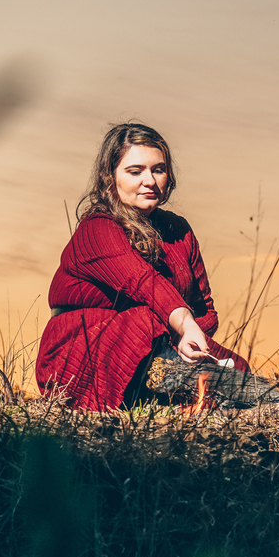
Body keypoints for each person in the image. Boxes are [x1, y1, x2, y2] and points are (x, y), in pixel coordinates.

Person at [36, 123, 249, 410]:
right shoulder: (97, 228)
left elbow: (205, 308)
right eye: (135, 171)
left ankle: (253, 399)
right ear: (110, 178)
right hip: (83, 355)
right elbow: (143, 282)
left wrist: (189, 337)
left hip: (164, 343)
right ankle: (221, 396)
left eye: (158, 170)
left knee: (239, 367)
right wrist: (183, 325)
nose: (149, 180)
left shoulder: (178, 229)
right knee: (143, 324)